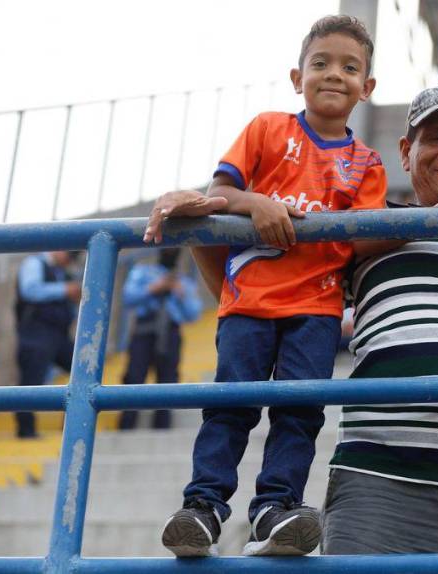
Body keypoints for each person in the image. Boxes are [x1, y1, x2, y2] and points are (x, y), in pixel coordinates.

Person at [146, 84, 438, 555]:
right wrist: (205, 228)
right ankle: (213, 502)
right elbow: (256, 292)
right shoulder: (358, 231)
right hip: (377, 482)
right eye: (437, 137)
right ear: (406, 153)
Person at [143, 15, 387, 557]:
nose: (333, 75)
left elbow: (367, 236)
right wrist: (256, 203)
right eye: (320, 63)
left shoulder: (366, 163)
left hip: (318, 308)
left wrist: (419, 225)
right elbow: (220, 191)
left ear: (367, 89)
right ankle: (202, 508)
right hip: (249, 302)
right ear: (297, 76)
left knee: (299, 412)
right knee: (231, 404)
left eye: (350, 67)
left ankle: (274, 510)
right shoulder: (268, 128)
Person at [117, 249, 202, 430]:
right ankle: (126, 427)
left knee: (168, 380)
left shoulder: (183, 282)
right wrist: (154, 288)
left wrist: (179, 293)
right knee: (134, 377)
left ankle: (162, 427)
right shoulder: (143, 272)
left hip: (171, 332)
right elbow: (128, 297)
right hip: (144, 330)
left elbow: (193, 313)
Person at [13, 251, 81, 439]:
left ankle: (73, 425)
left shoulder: (63, 271)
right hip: (35, 333)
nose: (71, 259)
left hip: (58, 334)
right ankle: (26, 431)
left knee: (82, 369)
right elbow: (30, 289)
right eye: (70, 254)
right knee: (31, 382)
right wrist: (64, 290)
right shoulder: (34, 262)